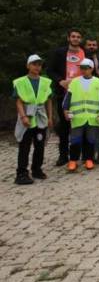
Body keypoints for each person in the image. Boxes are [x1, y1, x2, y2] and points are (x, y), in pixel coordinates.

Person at [13, 55, 53, 185]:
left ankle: (37, 169)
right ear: (28, 66)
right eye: (34, 64)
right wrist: (23, 116)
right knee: (24, 145)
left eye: (39, 65)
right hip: (27, 115)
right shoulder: (20, 82)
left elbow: (48, 101)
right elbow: (18, 101)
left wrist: (50, 118)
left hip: (40, 116)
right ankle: (21, 173)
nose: (37, 67)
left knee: (40, 145)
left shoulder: (46, 82)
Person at [47, 28, 85, 166]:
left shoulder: (84, 53)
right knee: (64, 126)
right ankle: (63, 155)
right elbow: (50, 70)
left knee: (79, 124)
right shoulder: (59, 53)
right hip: (64, 94)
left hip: (81, 94)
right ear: (68, 38)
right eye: (73, 36)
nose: (75, 38)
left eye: (78, 36)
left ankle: (78, 154)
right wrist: (60, 81)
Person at [63, 59, 99, 171]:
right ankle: (73, 161)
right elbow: (68, 97)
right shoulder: (74, 82)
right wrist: (65, 110)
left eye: (86, 68)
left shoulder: (98, 82)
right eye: (81, 68)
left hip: (93, 117)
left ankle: (89, 159)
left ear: (91, 69)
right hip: (77, 117)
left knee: (91, 139)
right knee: (75, 140)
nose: (83, 70)